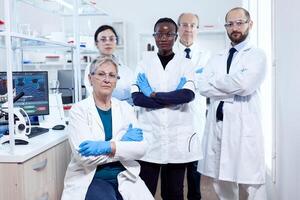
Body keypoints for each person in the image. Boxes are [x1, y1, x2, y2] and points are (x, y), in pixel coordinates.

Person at [197, 7, 267, 200]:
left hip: (244, 128)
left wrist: (216, 83)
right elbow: (202, 86)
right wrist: (231, 85)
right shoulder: (217, 56)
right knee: (222, 182)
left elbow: (245, 85)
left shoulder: (257, 55)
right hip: (219, 125)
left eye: (239, 23)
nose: (234, 28)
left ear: (250, 24)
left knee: (252, 185)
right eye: (230, 24)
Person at [62, 56, 153, 200]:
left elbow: (141, 149)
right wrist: (121, 143)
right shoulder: (78, 110)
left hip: (125, 174)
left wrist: (107, 146)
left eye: (112, 75)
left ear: (116, 81)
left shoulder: (125, 108)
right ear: (90, 78)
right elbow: (85, 158)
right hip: (92, 177)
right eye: (100, 74)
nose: (107, 79)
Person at [131, 18, 200, 200]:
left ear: (176, 36)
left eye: (169, 34)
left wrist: (152, 95)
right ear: (154, 37)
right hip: (150, 137)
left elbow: (187, 95)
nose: (164, 38)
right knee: (145, 192)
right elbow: (137, 98)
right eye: (159, 34)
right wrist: (173, 97)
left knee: (175, 193)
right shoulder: (143, 63)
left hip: (177, 138)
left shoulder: (185, 64)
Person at [175, 12, 211, 200]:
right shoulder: (168, 54)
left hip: (196, 117)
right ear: (178, 27)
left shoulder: (207, 56)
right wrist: (195, 78)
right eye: (185, 25)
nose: (188, 29)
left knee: (195, 168)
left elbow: (207, 84)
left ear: (198, 29)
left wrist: (188, 81)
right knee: (175, 169)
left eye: (193, 25)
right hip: (174, 117)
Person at [84, 25, 133, 104]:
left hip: (124, 112)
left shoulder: (125, 69)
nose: (108, 42)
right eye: (103, 39)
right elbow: (97, 94)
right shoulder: (91, 68)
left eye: (111, 39)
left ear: (116, 42)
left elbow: (133, 93)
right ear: (96, 43)